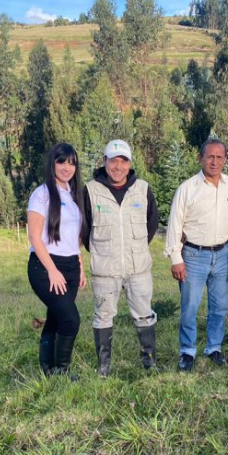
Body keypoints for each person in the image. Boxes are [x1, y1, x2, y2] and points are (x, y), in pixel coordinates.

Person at [82, 139, 160, 377]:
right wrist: (104, 251)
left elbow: (152, 223)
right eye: (113, 160)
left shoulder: (143, 189)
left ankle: (149, 362)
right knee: (103, 315)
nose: (118, 166)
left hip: (138, 269)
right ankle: (104, 366)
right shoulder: (90, 191)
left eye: (123, 161)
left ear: (130, 163)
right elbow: (84, 230)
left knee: (144, 313)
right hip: (105, 269)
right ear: (104, 161)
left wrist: (133, 249)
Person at [164, 138, 228, 372]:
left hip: (222, 255)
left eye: (219, 157)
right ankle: (187, 351)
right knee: (190, 306)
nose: (214, 161)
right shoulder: (188, 189)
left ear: (225, 160)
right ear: (201, 158)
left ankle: (214, 347)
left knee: (220, 306)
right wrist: (176, 259)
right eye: (210, 156)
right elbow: (174, 225)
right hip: (193, 255)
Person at [27, 143, 87, 377]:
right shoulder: (41, 194)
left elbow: (75, 238)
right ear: (52, 163)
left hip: (71, 265)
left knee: (55, 317)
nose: (67, 167)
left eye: (72, 163)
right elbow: (34, 235)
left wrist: (80, 267)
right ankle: (61, 371)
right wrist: (52, 270)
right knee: (71, 319)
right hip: (45, 266)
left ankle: (48, 371)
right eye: (62, 161)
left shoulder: (74, 196)